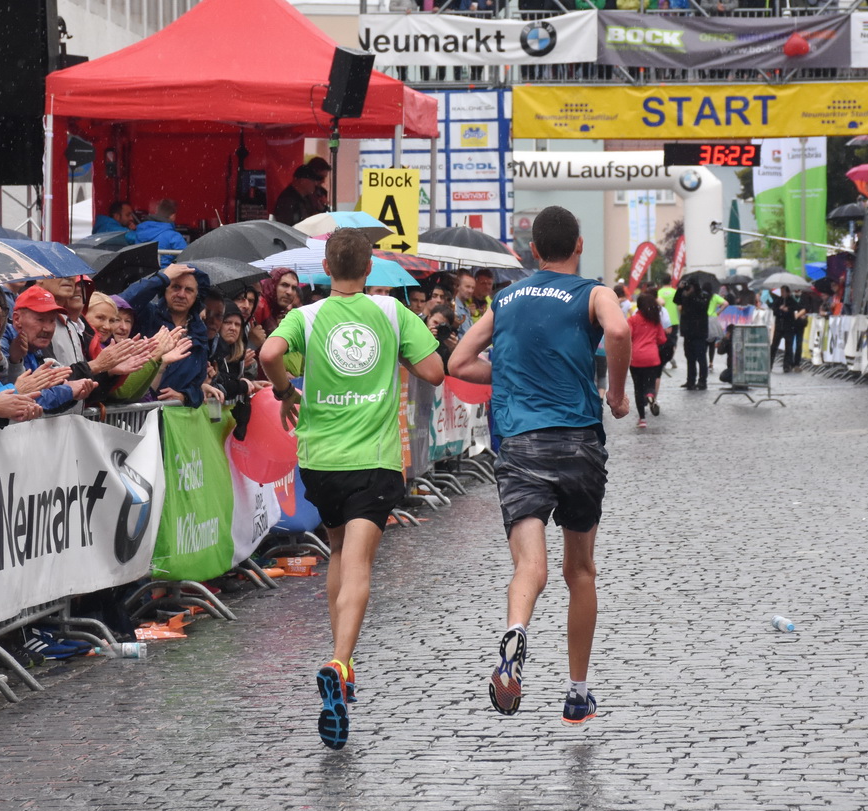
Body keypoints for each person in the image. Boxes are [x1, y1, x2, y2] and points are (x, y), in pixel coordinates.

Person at [258, 230, 445, 749]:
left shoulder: (307, 317)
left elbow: (270, 351)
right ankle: (340, 662)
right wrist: (401, 356)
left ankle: (344, 662)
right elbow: (435, 370)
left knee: (339, 550)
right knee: (360, 562)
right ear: (370, 269)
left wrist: (282, 389)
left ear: (324, 266)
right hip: (375, 460)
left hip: (320, 460)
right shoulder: (390, 314)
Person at [450, 206, 630, 726]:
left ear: (532, 252)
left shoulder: (504, 299)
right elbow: (617, 333)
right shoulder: (593, 292)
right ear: (578, 245)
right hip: (578, 445)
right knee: (580, 570)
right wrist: (615, 395)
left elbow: (460, 363)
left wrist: (509, 376)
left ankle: (517, 633)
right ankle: (577, 693)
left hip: (522, 444)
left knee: (530, 566)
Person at [122, 262, 214, 406]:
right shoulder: (147, 315)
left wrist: (185, 397)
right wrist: (161, 278)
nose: (181, 294)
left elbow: (198, 384)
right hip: (139, 413)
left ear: (197, 295)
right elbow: (121, 304)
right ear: (164, 289)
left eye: (188, 290)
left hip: (175, 421)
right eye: (175, 287)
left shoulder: (199, 332)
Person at [627, 291, 667, 427]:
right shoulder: (655, 321)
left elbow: (628, 337)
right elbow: (662, 339)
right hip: (652, 357)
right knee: (650, 383)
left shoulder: (632, 320)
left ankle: (642, 419)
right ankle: (650, 395)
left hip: (636, 358)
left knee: (638, 388)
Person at [272, 158, 332, 226]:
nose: (316, 183)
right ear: (303, 180)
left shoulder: (304, 197)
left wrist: (322, 209)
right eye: (313, 180)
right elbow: (289, 226)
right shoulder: (288, 200)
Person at [676, 277, 711, 390]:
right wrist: (680, 290)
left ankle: (702, 381)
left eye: (689, 287)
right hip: (688, 332)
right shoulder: (684, 295)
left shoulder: (703, 295)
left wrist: (691, 294)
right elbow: (676, 300)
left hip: (699, 332)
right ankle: (690, 380)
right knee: (689, 357)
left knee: (701, 358)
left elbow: (701, 306)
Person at [769, 286, 802, 372]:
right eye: (781, 292)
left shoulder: (791, 300)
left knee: (788, 347)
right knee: (774, 346)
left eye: (784, 292)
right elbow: (774, 311)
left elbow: (797, 307)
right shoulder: (778, 300)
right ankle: (769, 364)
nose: (782, 293)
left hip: (788, 327)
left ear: (788, 292)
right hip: (779, 326)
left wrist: (788, 309)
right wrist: (780, 310)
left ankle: (787, 365)